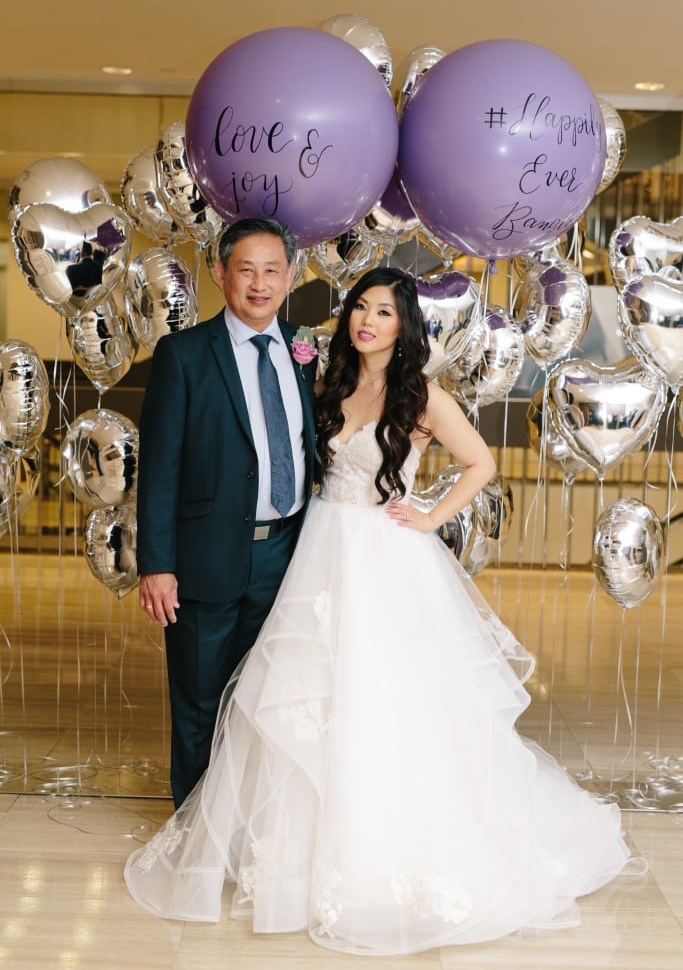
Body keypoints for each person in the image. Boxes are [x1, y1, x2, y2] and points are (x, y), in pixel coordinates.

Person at [126, 266, 640, 955]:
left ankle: (386, 845)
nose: (366, 321)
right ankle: (285, 848)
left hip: (382, 554)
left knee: (387, 699)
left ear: (404, 327)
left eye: (383, 313)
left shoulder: (419, 394)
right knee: (307, 692)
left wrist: (430, 516)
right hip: (315, 546)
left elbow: (481, 463)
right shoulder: (329, 381)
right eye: (360, 308)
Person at [136, 217, 317, 808]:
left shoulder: (304, 353)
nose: (259, 284)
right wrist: (156, 564)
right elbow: (159, 467)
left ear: (291, 275)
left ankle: (247, 826)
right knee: (199, 700)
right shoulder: (183, 355)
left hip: (287, 558)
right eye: (246, 269)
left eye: (272, 270)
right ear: (220, 274)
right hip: (205, 561)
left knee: (268, 699)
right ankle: (191, 833)